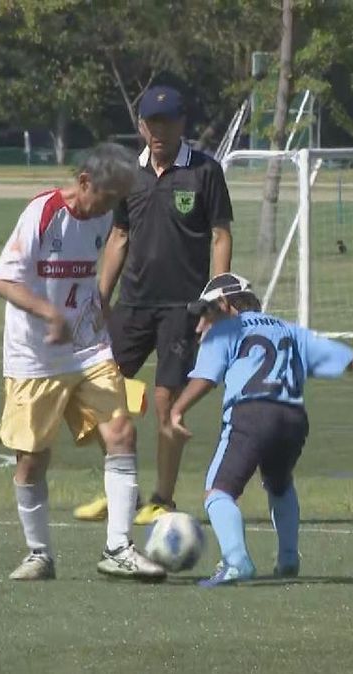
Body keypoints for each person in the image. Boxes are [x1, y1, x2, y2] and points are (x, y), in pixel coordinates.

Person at [0, 142, 165, 581]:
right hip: (35, 357)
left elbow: (93, 267)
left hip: (88, 349)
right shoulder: (42, 215)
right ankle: (39, 554)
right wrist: (49, 314)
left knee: (121, 432)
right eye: (106, 197)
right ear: (84, 182)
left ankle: (119, 547)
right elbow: (2, 280)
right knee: (31, 460)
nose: (111, 207)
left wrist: (99, 305)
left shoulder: (103, 216)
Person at [168, 273, 353, 586]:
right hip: (293, 418)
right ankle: (288, 558)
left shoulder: (224, 329)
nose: (200, 325)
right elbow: (346, 356)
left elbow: (206, 378)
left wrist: (177, 409)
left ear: (225, 305)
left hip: (251, 414)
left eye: (205, 313)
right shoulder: (291, 331)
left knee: (218, 492)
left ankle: (236, 562)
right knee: (278, 483)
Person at [73, 85, 234, 526]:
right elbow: (119, 237)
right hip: (133, 304)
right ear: (141, 126)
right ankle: (121, 488)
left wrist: (217, 294)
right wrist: (100, 297)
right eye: (151, 123)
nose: (158, 131)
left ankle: (163, 498)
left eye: (167, 123)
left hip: (184, 307)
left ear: (183, 125)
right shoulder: (130, 175)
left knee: (165, 401)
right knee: (100, 390)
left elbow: (220, 234)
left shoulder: (205, 171)